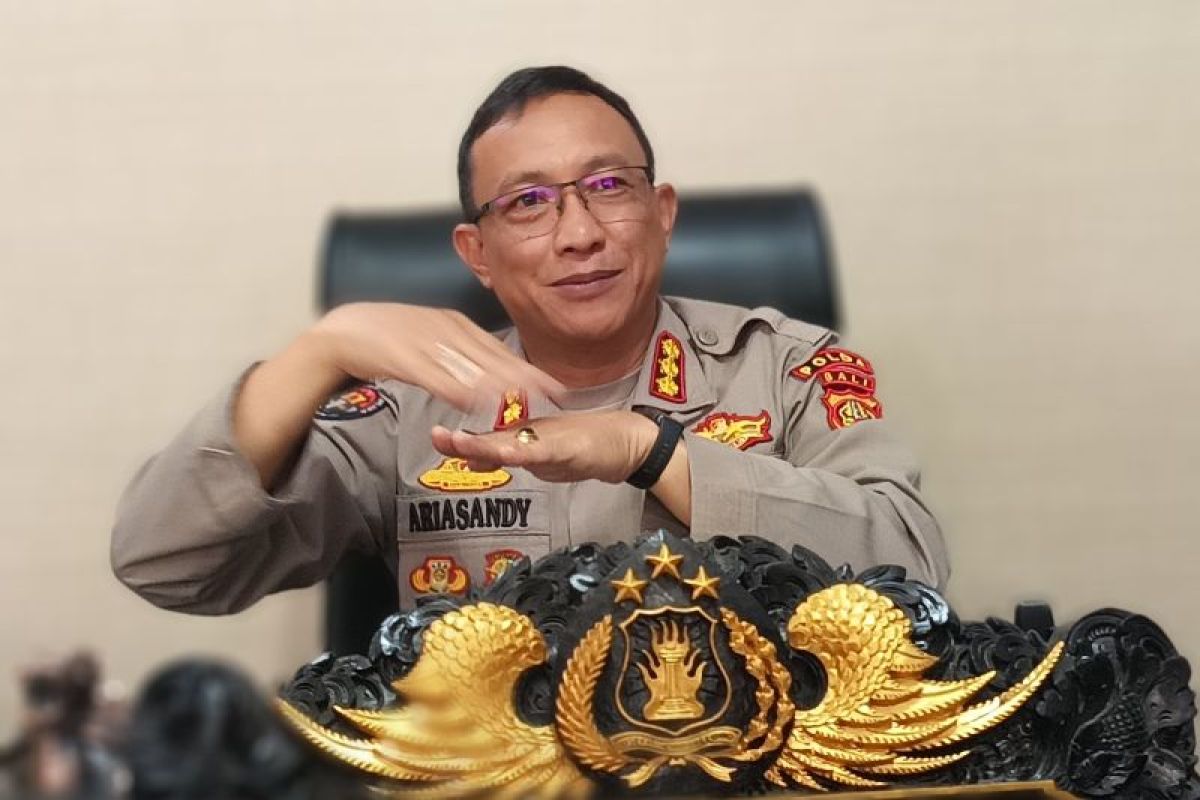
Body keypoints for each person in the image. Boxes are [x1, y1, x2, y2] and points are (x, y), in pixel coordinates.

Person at [111, 66, 948, 615]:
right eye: (528, 203)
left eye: (608, 186)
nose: (579, 233)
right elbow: (165, 562)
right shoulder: (411, 413)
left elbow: (912, 567)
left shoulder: (789, 367)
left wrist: (651, 451)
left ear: (661, 215)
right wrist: (318, 351)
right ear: (476, 253)